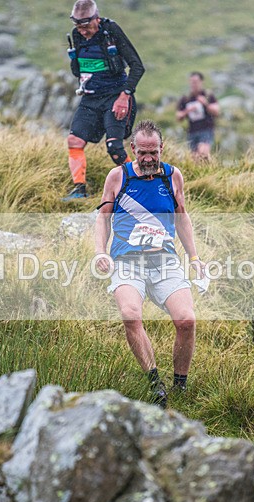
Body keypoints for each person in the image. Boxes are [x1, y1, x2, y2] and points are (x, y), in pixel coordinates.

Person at [94, 120, 204, 407]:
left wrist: (194, 258)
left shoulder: (172, 176)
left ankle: (180, 386)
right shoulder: (118, 177)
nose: (148, 158)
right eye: (142, 152)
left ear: (161, 148)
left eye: (153, 152)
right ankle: (155, 385)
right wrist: (100, 251)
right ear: (132, 149)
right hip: (127, 261)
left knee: (187, 320)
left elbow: (182, 217)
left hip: (164, 260)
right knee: (130, 314)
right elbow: (103, 219)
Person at [63, 0, 144, 201]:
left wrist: (124, 96)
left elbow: (137, 66)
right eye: (78, 27)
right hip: (90, 98)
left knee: (114, 147)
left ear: (96, 19)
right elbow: (79, 69)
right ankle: (79, 190)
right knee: (74, 141)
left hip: (115, 96)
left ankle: (139, 187)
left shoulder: (111, 31)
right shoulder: (77, 35)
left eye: (86, 26)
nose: (83, 32)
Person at [176, 71, 219, 162]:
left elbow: (216, 111)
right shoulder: (186, 98)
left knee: (203, 153)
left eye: (196, 81)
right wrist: (188, 111)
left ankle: (209, 171)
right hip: (192, 131)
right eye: (192, 82)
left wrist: (206, 104)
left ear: (201, 82)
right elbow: (178, 116)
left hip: (206, 129)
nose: (193, 84)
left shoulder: (208, 95)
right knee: (193, 158)